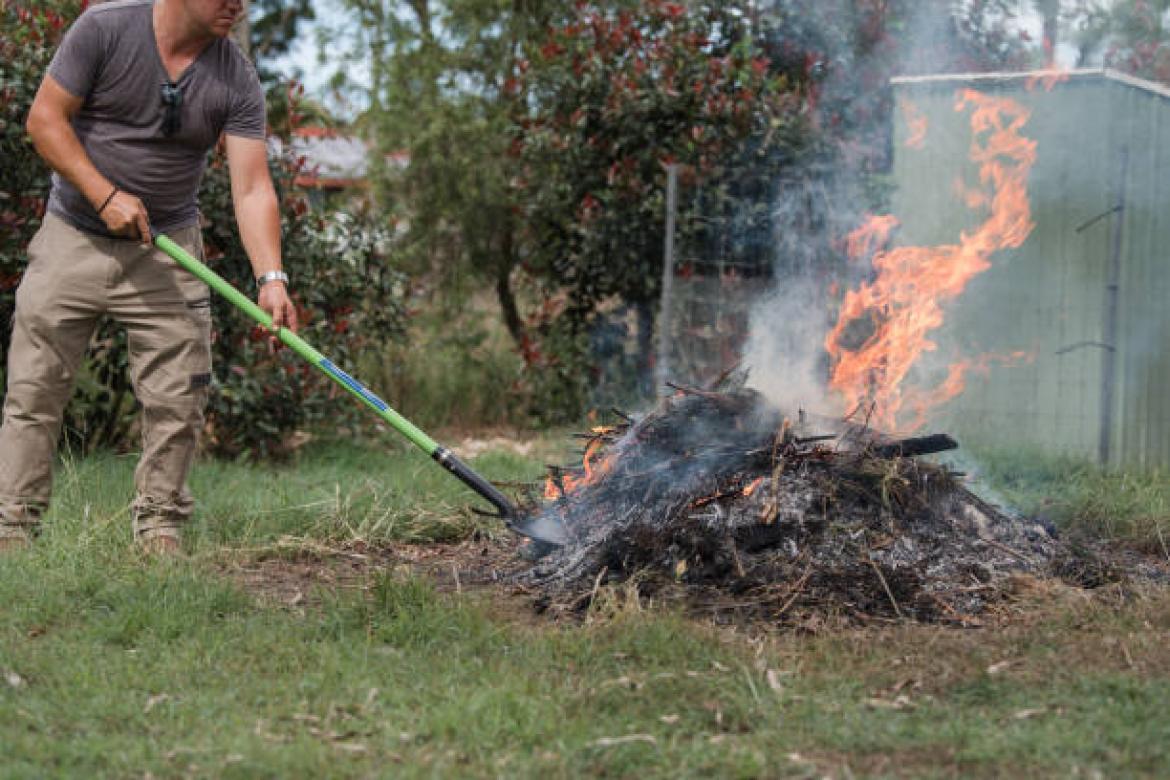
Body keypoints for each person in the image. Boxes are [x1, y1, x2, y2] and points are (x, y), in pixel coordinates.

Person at [0, 0, 297, 554]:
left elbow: (253, 188)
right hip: (74, 235)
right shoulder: (105, 30)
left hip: (168, 249)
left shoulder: (235, 76)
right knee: (34, 390)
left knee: (178, 398)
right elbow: (43, 120)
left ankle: (161, 527)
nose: (237, 4)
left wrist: (271, 277)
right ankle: (13, 530)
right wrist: (104, 193)